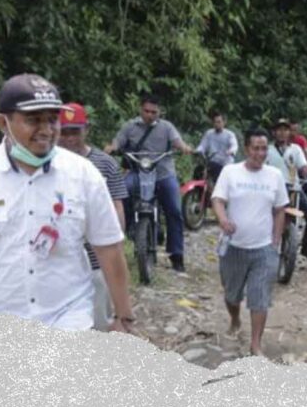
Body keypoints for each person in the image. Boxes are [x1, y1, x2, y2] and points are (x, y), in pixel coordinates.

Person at [0, 74, 135, 332]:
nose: (46, 130)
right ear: (3, 123)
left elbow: (109, 248)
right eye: (33, 120)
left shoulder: (83, 175)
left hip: (69, 320)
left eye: (52, 119)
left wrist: (124, 317)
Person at [212, 128, 288, 356]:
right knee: (231, 294)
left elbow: (280, 209)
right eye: (256, 148)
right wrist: (223, 220)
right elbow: (218, 200)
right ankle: (235, 318)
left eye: (264, 148)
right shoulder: (230, 172)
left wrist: (276, 240)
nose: (260, 153)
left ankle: (256, 344)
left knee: (260, 298)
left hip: (263, 249)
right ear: (246, 149)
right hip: (233, 247)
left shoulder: (275, 175)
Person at [57, 102, 130, 332]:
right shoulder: (46, 165)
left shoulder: (105, 164)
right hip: (59, 262)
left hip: (97, 260)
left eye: (75, 132)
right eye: (64, 132)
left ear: (86, 130)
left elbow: (117, 207)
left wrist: (115, 247)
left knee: (98, 323)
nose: (69, 138)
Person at [107, 93, 194, 274]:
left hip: (163, 174)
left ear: (159, 112)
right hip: (138, 173)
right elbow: (118, 141)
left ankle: (176, 255)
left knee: (175, 210)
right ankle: (128, 228)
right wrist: (112, 147)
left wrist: (184, 147)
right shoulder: (130, 126)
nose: (150, 115)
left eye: (154, 112)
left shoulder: (167, 127)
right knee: (122, 192)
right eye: (146, 111)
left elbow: (177, 141)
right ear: (141, 109)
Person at [266, 118, 307, 263]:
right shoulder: (267, 150)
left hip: (293, 188)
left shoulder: (296, 149)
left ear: (289, 132)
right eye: (279, 130)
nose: (282, 133)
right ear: (274, 132)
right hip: (272, 190)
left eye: (285, 130)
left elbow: (304, 168)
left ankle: (306, 249)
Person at [195, 111, 238, 186]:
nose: (216, 124)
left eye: (219, 122)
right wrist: (198, 150)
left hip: (225, 164)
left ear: (224, 122)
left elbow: (234, 145)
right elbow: (203, 145)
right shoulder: (209, 133)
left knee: (218, 178)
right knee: (199, 169)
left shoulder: (230, 135)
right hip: (212, 161)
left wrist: (230, 151)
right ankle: (198, 189)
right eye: (215, 122)